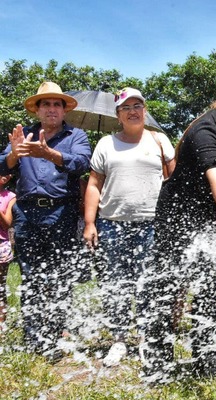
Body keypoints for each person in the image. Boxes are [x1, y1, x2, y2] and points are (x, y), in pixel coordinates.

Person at [142, 72, 216, 381]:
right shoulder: (205, 128)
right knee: (167, 286)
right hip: (177, 216)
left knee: (208, 285)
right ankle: (157, 364)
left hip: (208, 215)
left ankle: (207, 357)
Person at [83, 88, 175, 367]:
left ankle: (148, 339)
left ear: (145, 111)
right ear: (118, 115)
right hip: (112, 225)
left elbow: (174, 180)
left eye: (138, 105)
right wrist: (89, 222)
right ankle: (119, 340)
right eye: (126, 107)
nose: (133, 110)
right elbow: (94, 184)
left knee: (150, 286)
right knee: (115, 285)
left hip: (152, 226)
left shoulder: (159, 140)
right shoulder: (106, 144)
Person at [0, 82, 92, 361]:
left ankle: (55, 332)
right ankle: (33, 335)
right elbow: (2, 165)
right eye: (46, 104)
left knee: (59, 274)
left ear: (64, 110)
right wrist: (16, 153)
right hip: (26, 213)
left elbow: (82, 164)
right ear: (37, 110)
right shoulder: (22, 135)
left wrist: (48, 153)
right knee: (30, 273)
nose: (51, 109)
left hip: (61, 212)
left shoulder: (76, 135)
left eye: (56, 104)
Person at [0, 174, 16, 329]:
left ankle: (1, 325)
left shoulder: (10, 196)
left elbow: (7, 224)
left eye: (8, 173)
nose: (6, 175)